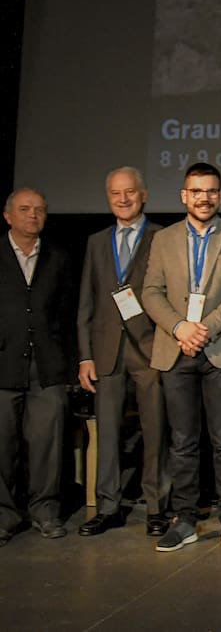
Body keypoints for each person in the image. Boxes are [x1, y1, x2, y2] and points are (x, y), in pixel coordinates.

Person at [143, 162, 221, 552]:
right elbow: (151, 291)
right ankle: (185, 519)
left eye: (210, 191)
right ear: (184, 196)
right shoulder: (163, 239)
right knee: (182, 441)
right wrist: (180, 328)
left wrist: (203, 328)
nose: (203, 198)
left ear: (220, 196)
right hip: (175, 350)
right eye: (196, 191)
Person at [77, 167, 169, 538]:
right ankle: (108, 507)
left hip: (150, 348)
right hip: (106, 351)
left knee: (155, 431)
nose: (123, 199)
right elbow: (87, 301)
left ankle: (157, 508)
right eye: (116, 193)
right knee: (108, 433)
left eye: (130, 192)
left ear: (143, 195)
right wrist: (85, 355)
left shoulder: (163, 236)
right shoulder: (96, 241)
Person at [0, 188, 75, 545]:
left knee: (48, 444)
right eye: (25, 209)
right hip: (3, 364)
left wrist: (70, 364)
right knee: (2, 445)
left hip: (47, 367)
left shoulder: (58, 258)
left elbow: (68, 314)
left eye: (40, 210)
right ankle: (4, 515)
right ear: (8, 216)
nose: (33, 215)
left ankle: (45, 511)